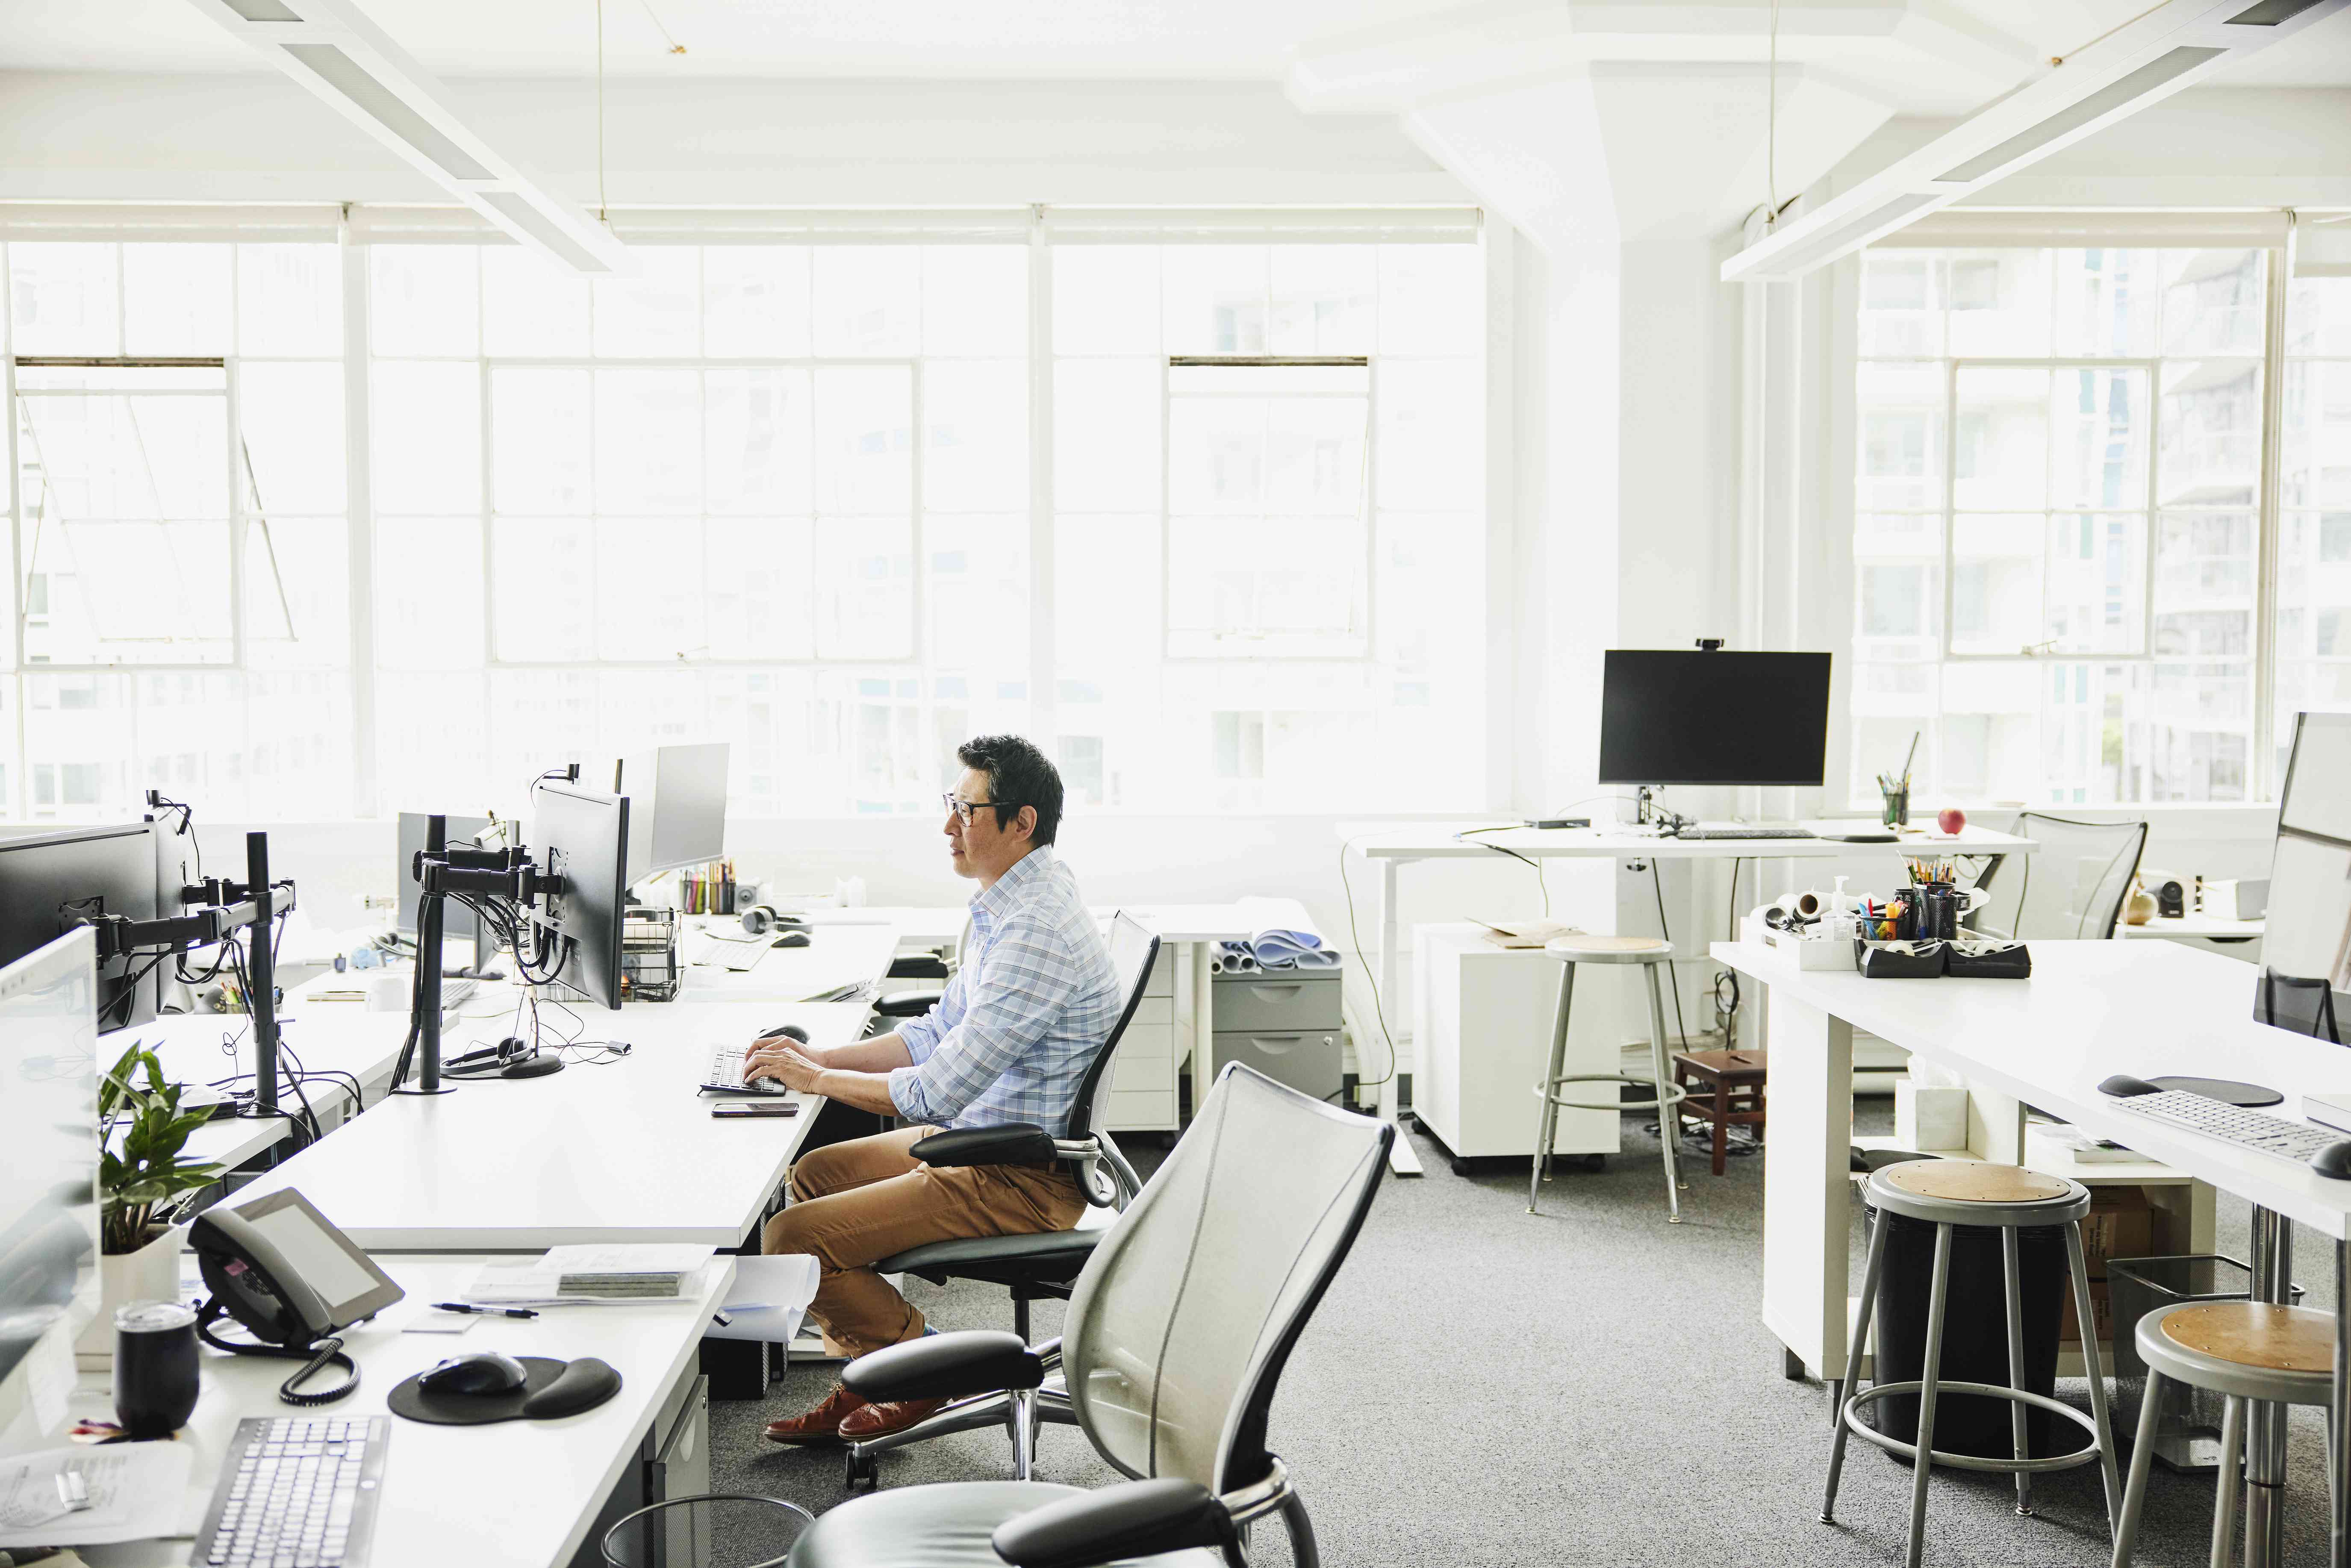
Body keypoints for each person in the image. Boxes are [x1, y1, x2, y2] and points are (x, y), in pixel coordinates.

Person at [742, 734, 1120, 1447]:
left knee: (790, 1240)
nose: (949, 825)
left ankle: (923, 1368)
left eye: (966, 809)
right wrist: (816, 1054)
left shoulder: (1034, 930)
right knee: (814, 1173)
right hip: (987, 1137)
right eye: (952, 804)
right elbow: (935, 1031)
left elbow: (935, 1091)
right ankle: (876, 1367)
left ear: (1021, 822)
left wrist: (818, 1080)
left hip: (1018, 1172)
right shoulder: (1010, 902)